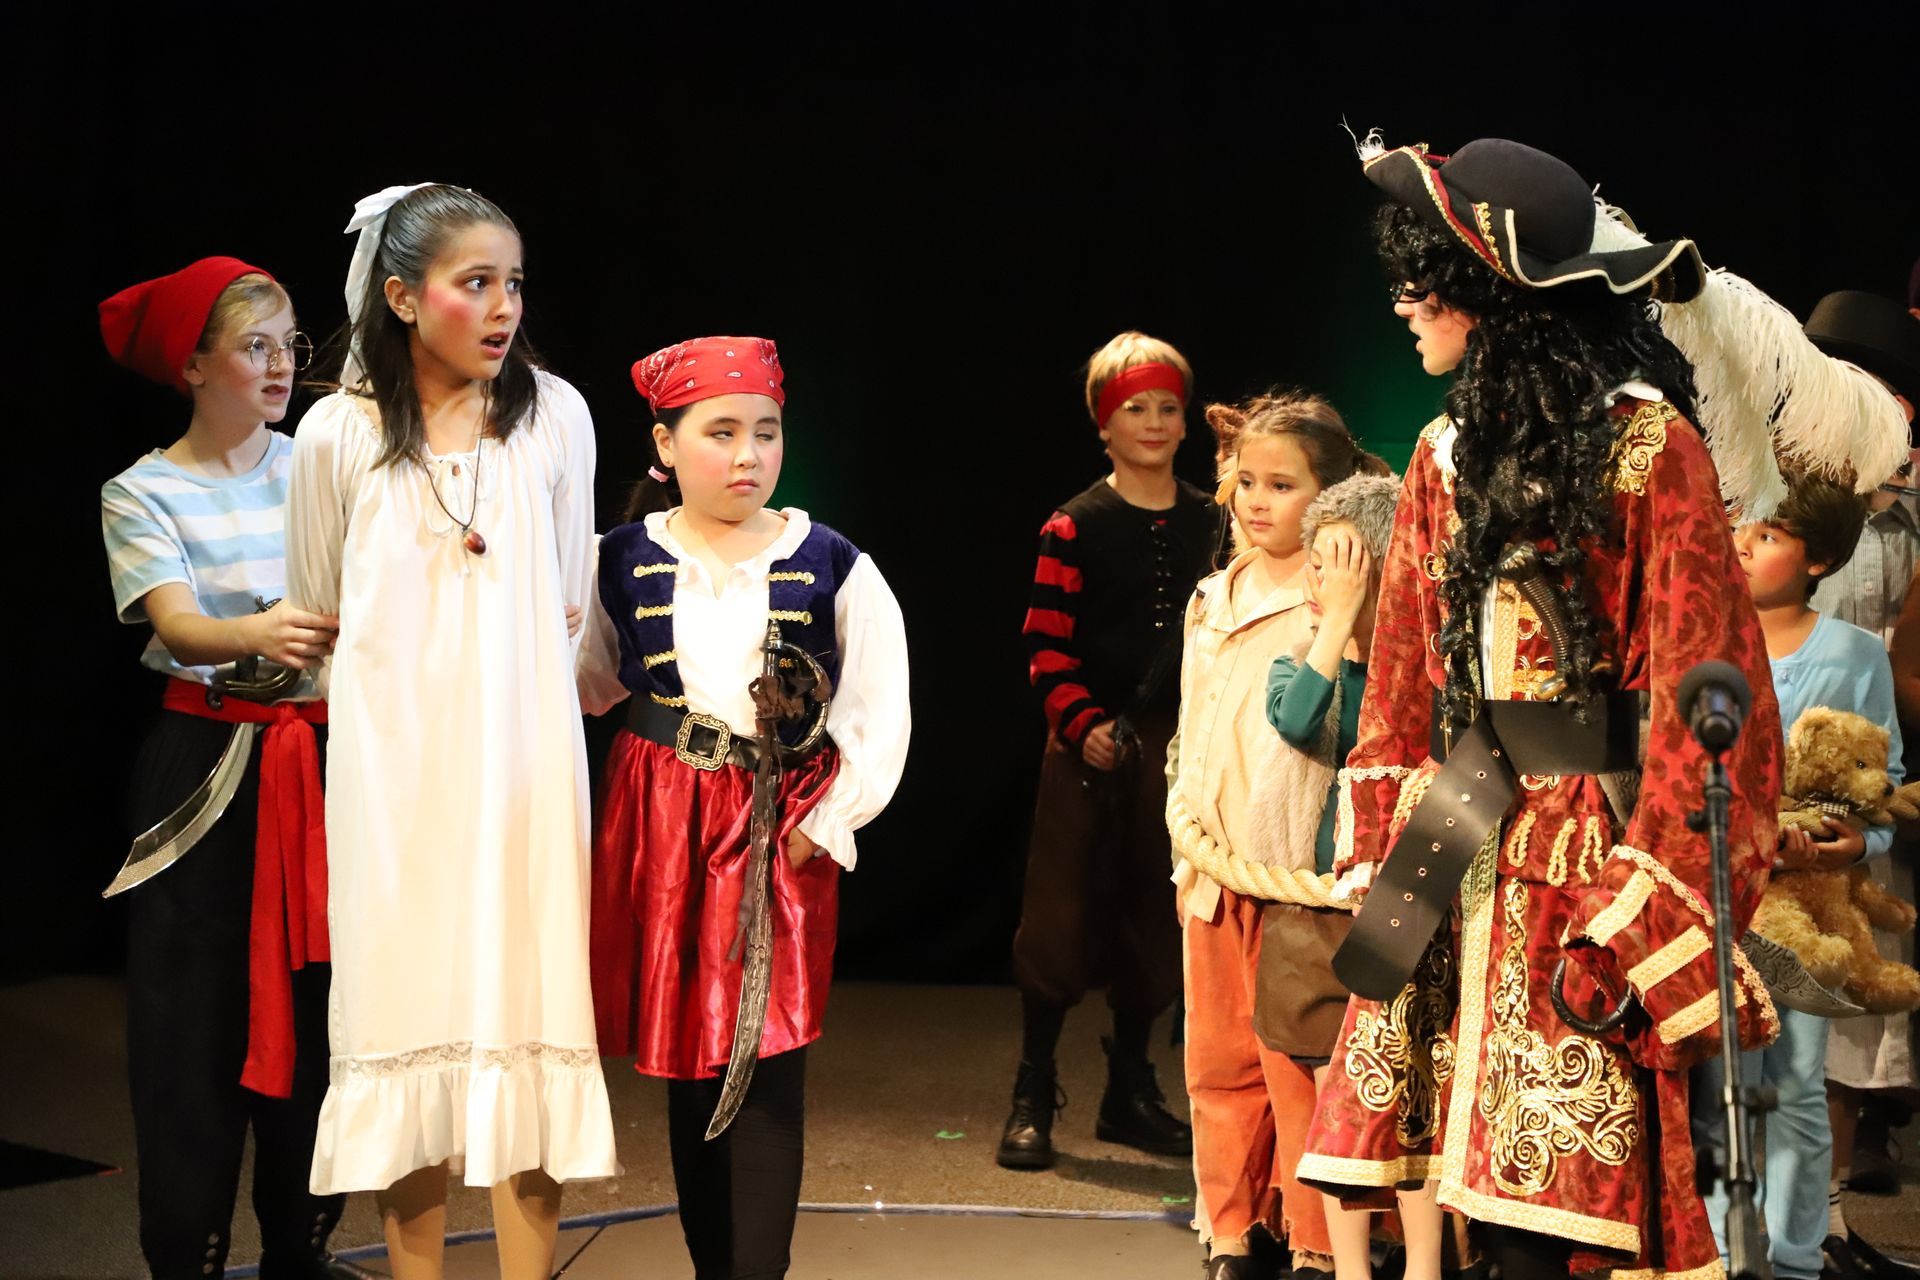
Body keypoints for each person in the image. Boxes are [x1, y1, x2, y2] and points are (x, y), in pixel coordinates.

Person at [1296, 136, 1782, 1280]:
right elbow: (1403, 682)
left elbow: (1713, 690)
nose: (1406, 302)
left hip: (1582, 865)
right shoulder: (1439, 455)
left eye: (1431, 275)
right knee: (1459, 1203)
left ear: (1493, 293)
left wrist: (1638, 907)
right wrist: (1383, 853)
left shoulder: (1649, 450)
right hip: (1459, 840)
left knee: (1555, 1231)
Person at [285, 184, 616, 1280]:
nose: (502, 305)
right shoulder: (336, 431)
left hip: (523, 770)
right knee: (404, 1020)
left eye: (513, 282)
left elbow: (570, 601)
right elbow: (320, 611)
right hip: (396, 785)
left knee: (530, 1021)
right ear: (401, 296)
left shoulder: (556, 415)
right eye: (475, 282)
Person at [580, 336, 910, 1280]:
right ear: (665, 443)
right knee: (689, 1065)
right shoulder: (621, 559)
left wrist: (828, 820)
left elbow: (877, 707)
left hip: (773, 828)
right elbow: (587, 684)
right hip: (661, 825)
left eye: (764, 433)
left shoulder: (829, 561)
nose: (747, 455)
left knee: (763, 1061)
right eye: (720, 433)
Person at [100, 257, 349, 1280]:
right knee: (192, 1020)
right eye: (255, 345)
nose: (281, 364)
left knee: (326, 1003)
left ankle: (305, 1243)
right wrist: (253, 629)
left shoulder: (321, 465)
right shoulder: (143, 490)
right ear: (196, 365)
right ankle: (189, 1252)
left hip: (325, 758)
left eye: (290, 344)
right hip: (208, 764)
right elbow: (176, 623)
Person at [1168, 390, 1383, 1279]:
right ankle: (1229, 1230)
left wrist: (1346, 604)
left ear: (1326, 500)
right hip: (1214, 866)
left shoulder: (1338, 605)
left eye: (1283, 485)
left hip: (1298, 875)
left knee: (1298, 1068)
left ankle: (1311, 1240)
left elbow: (1332, 728)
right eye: (1247, 481)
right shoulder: (1213, 594)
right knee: (1218, 1065)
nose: (1258, 502)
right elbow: (1194, 721)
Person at [999, 330, 1215, 1171]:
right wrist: (1081, 719)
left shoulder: (1215, 520)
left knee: (1156, 922)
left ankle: (1131, 1088)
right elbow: (1045, 644)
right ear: (1105, 424)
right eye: (1136, 409)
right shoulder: (1074, 525)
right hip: (1088, 747)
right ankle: (1032, 1087)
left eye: (1168, 407)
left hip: (1182, 750)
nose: (1154, 422)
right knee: (1058, 920)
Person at [1694, 477, 1895, 1280]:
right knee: (1723, 1077)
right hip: (1718, 893)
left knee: (1801, 1080)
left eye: (1771, 534)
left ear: (1822, 559)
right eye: (1742, 526)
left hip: (1806, 905)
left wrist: (1853, 845)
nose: (1745, 543)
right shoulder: (1703, 640)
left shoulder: (1855, 654)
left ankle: (1795, 1255)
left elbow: (1880, 779)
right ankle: (1717, 1249)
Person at [1261, 473, 1451, 1280]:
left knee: (1412, 1092)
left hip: (1414, 903)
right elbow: (1301, 721)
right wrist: (1336, 620)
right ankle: (1347, 1267)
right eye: (1314, 563)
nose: (1318, 578)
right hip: (1325, 908)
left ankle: (1424, 1266)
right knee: (1342, 1095)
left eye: (1338, 562)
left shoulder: (1436, 673)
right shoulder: (1308, 660)